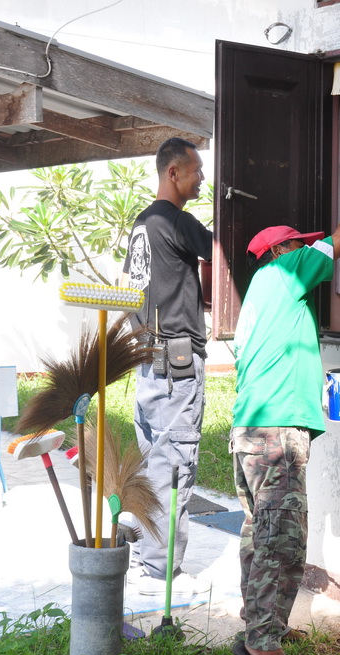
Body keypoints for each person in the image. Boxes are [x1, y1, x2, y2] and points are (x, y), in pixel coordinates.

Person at [229, 195, 340, 655]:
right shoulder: (282, 273)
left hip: (251, 432)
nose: (305, 252)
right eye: (298, 245)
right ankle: (263, 645)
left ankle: (258, 629)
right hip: (276, 434)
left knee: (260, 535)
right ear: (279, 252)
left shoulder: (260, 300)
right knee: (282, 543)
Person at [121, 136, 212, 596]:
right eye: (196, 171)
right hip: (175, 365)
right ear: (172, 173)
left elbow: (131, 288)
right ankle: (160, 574)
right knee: (174, 466)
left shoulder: (141, 224)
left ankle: (146, 559)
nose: (202, 179)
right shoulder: (175, 220)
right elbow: (226, 254)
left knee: (154, 464)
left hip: (149, 360)